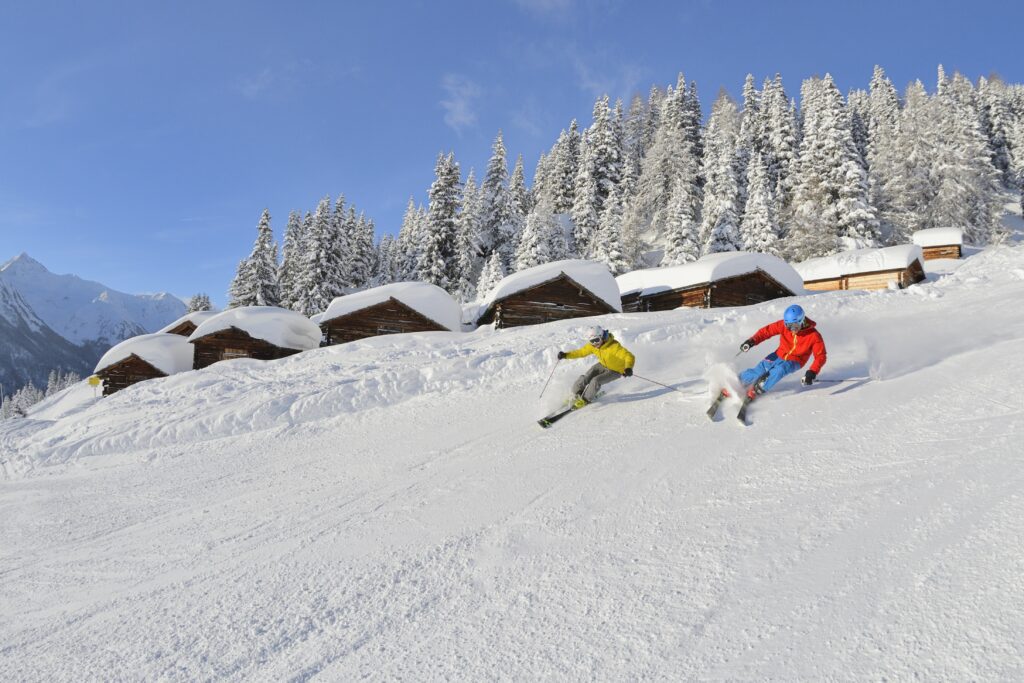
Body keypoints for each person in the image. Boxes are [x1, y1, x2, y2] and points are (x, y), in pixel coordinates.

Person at [736, 304, 826, 400]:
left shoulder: (813, 336)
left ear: (802, 321)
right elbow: (766, 332)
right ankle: (737, 381)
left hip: (796, 360)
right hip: (778, 354)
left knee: (780, 370)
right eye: (789, 326)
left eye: (795, 326)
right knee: (760, 370)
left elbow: (821, 356)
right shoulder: (782, 325)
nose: (792, 330)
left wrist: (812, 372)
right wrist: (752, 341)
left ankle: (757, 389)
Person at [557, 325, 635, 408]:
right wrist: (566, 355)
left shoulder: (614, 346)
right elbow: (580, 352)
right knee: (586, 377)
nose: (595, 343)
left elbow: (629, 356)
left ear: (601, 337)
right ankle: (575, 394)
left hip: (616, 371)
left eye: (597, 340)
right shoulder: (592, 346)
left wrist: (628, 368)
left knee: (596, 380)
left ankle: (585, 399)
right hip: (603, 365)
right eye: (592, 341)